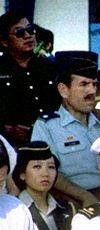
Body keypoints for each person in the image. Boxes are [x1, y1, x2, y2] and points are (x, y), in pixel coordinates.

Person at [31, 51, 100, 207]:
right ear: (64, 90)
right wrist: (85, 197)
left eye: (94, 84)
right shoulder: (47, 126)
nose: (92, 91)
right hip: (74, 203)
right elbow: (46, 172)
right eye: (84, 84)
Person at [0, 10, 59, 147]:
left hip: (49, 141)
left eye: (30, 30)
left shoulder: (50, 67)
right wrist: (5, 129)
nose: (28, 36)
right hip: (7, 145)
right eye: (20, 33)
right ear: (4, 41)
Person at [11, 141, 75, 230]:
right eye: (37, 167)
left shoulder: (68, 208)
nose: (45, 173)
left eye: (51, 167)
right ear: (22, 174)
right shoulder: (13, 212)